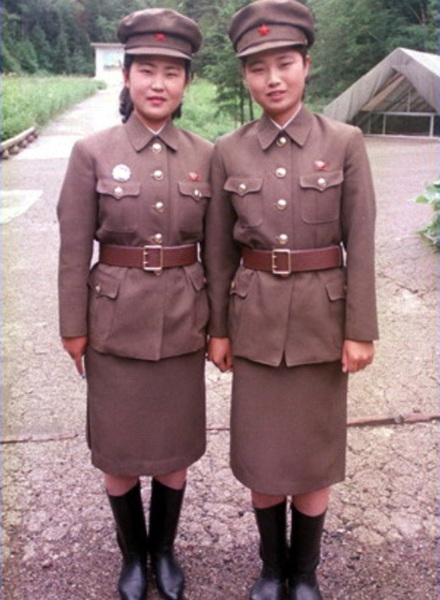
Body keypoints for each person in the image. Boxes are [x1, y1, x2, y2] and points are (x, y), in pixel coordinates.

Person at [205, 1, 378, 599]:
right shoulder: (228, 149)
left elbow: (361, 240)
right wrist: (218, 330)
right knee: (260, 455)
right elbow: (219, 252)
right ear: (245, 77)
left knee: (312, 454)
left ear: (307, 65)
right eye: (258, 68)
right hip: (253, 321)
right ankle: (271, 568)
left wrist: (360, 328)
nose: (272, 78)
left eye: (284, 64)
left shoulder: (345, 141)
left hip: (320, 323)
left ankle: (304, 573)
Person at [57, 8, 212, 600]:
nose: (158, 83)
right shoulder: (91, 152)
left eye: (172, 73)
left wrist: (219, 327)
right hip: (113, 322)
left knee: (174, 448)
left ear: (186, 83)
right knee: (118, 450)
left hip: (183, 319)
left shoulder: (206, 154)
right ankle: (132, 555)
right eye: (146, 70)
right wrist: (73, 327)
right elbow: (74, 249)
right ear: (126, 76)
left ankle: (163, 550)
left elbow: (218, 251)